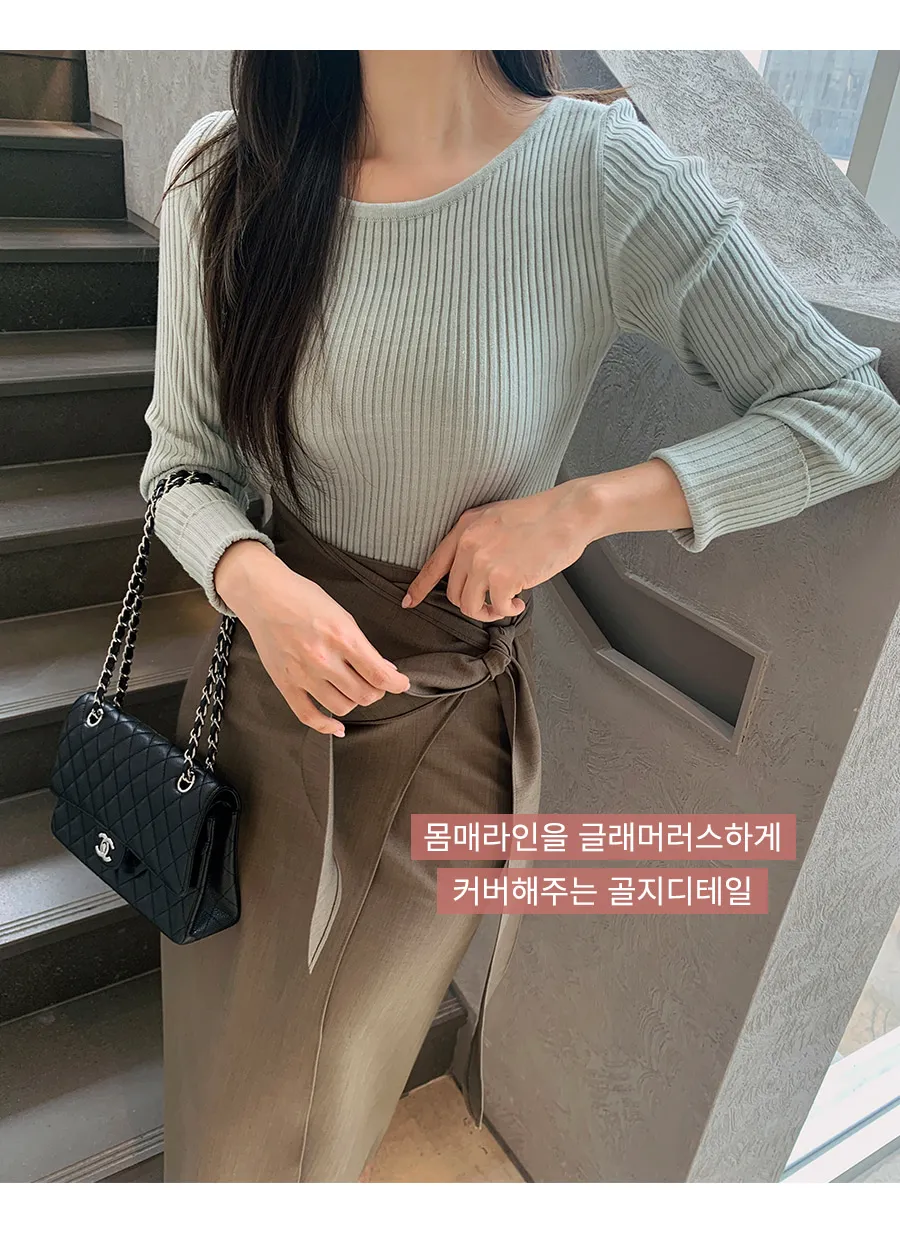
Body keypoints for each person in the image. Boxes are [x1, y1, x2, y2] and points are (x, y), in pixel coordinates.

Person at [139, 50, 900, 1183]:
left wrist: (582, 510)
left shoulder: (597, 175)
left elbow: (852, 413)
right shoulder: (223, 171)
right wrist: (251, 576)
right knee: (222, 1068)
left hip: (438, 727)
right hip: (259, 691)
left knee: (301, 1114)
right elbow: (181, 466)